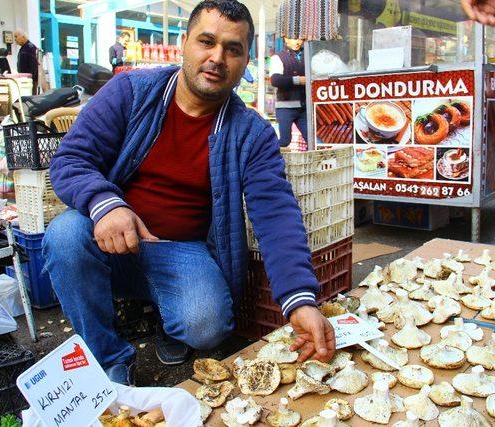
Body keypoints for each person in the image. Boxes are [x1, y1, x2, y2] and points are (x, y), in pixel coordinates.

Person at [44, 0, 335, 386]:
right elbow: (71, 160)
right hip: (112, 237)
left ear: (246, 60)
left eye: (233, 49)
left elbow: (276, 213)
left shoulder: (251, 133)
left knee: (208, 327)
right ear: (185, 44)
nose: (217, 57)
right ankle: (107, 358)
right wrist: (105, 204)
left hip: (182, 248)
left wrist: (299, 299)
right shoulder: (131, 92)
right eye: (207, 42)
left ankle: (167, 315)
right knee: (64, 235)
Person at [269, 37, 307, 147]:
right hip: (285, 107)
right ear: (286, 39)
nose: (298, 42)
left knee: (311, 139)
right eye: (294, 38)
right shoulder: (278, 57)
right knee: (285, 140)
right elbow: (275, 80)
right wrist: (297, 80)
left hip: (304, 108)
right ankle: (265, 154)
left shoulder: (308, 54)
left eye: (301, 39)